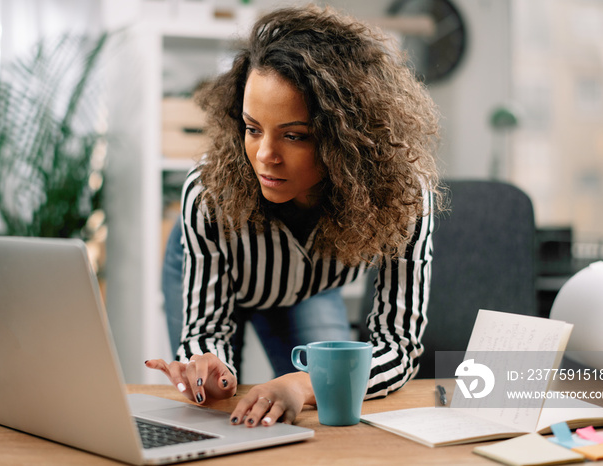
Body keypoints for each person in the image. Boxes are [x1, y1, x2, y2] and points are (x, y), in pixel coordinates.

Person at [146, 4, 439, 427]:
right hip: (219, 272)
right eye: (252, 128)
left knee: (329, 417)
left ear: (347, 138)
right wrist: (208, 371)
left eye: (294, 135)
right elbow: (205, 332)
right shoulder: (208, 193)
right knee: (215, 412)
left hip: (307, 292)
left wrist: (303, 384)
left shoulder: (402, 197)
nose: (265, 156)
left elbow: (398, 346)